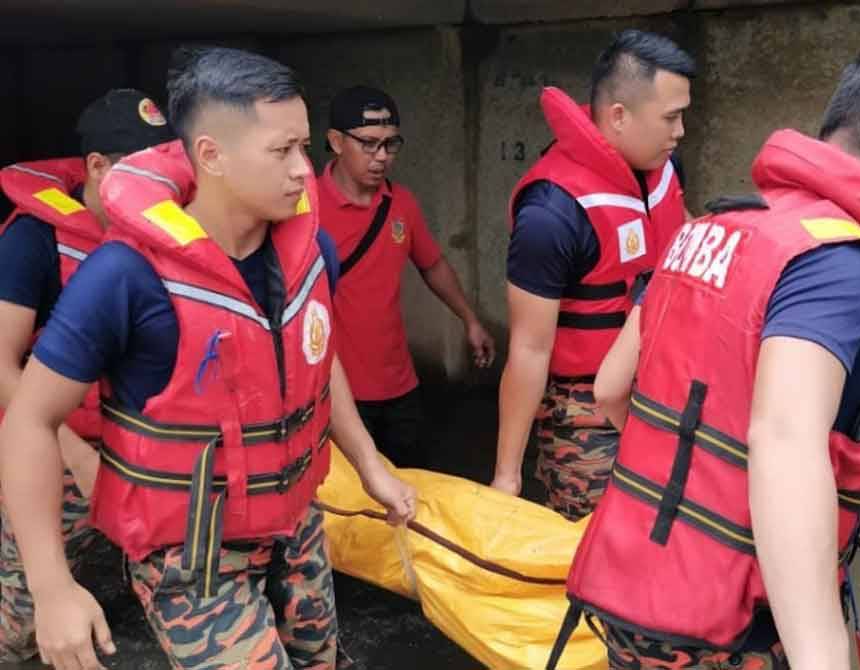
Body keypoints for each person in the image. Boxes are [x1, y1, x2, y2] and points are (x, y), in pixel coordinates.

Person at [548, 37, 860, 670]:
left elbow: (612, 386)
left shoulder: (712, 227)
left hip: (631, 596)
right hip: (724, 626)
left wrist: (688, 479)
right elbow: (783, 442)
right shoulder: (838, 264)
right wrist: (821, 656)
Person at [0, 46, 416, 670]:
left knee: (320, 659)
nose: (306, 171)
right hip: (192, 555)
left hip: (296, 525)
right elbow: (29, 420)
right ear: (210, 156)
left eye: (304, 146)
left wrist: (369, 464)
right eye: (282, 151)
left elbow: (315, 360)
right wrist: (52, 586)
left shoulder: (311, 254)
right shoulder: (124, 276)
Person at [0, 88, 174, 663]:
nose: (160, 188)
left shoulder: (163, 232)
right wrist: (76, 454)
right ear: (97, 167)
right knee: (23, 615)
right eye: (141, 171)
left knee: (184, 585)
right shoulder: (32, 241)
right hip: (56, 449)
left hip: (145, 449)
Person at [491, 29, 693, 520]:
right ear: (619, 116)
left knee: (668, 537)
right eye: (670, 117)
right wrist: (506, 475)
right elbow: (529, 349)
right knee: (594, 551)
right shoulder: (552, 213)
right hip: (586, 413)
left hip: (665, 388)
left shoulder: (666, 170)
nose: (681, 130)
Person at [320, 85, 495, 470]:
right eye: (368, 144)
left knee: (412, 489)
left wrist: (470, 320)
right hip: (339, 395)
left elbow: (432, 265)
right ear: (335, 141)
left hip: (402, 388)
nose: (381, 157)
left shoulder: (402, 204)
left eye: (390, 144)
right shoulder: (306, 208)